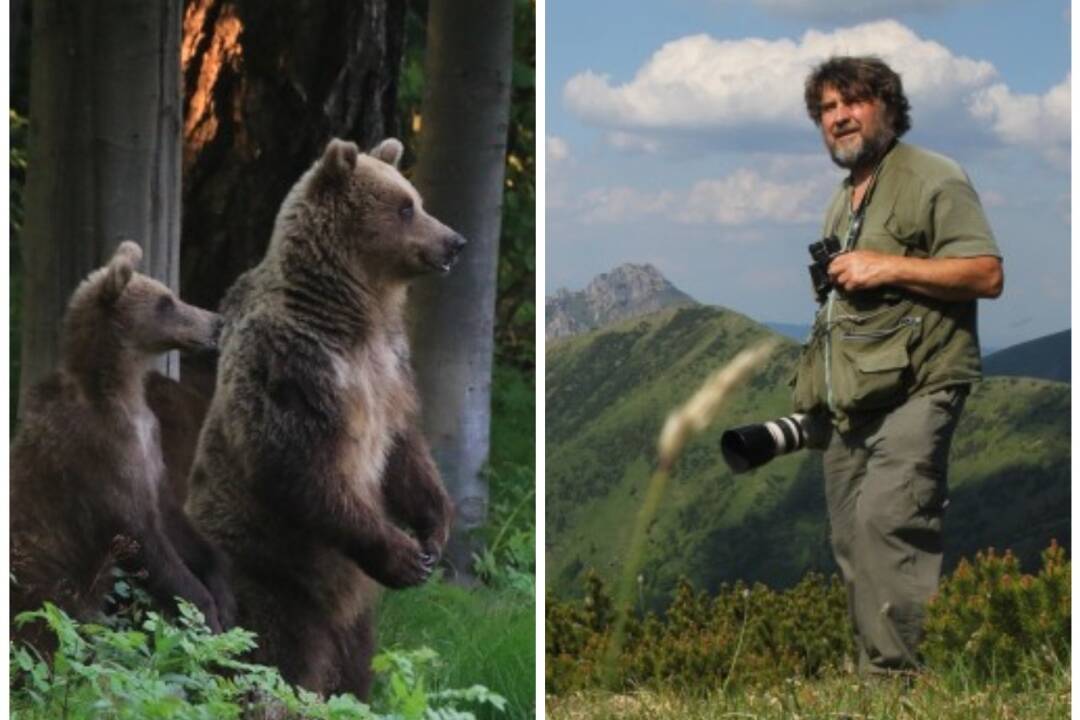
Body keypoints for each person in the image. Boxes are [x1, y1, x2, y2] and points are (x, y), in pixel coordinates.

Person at [792, 56, 1003, 675]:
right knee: (852, 542)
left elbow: (986, 274)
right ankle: (874, 680)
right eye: (827, 109)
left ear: (887, 106)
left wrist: (888, 265)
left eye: (852, 102)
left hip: (922, 386)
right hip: (854, 400)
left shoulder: (934, 177)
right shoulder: (843, 199)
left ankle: (895, 690)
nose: (839, 117)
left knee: (890, 526)